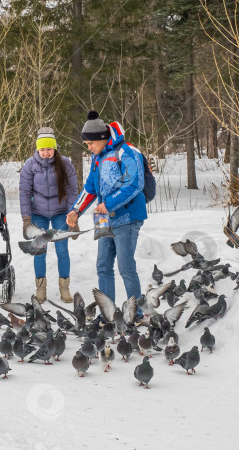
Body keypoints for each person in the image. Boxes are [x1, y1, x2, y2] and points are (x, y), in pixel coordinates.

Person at [66, 111, 147, 312]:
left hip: (127, 217)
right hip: (103, 219)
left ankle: (134, 312)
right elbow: (90, 188)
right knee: (103, 266)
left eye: (91, 143)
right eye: (87, 145)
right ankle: (108, 312)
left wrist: (109, 204)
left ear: (102, 138)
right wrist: (76, 210)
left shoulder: (127, 151)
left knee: (126, 268)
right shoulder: (97, 158)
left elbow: (135, 183)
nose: (89, 148)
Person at [19, 128, 79, 303]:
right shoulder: (30, 165)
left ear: (55, 148)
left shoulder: (65, 164)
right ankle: (40, 288)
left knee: (62, 250)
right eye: (42, 149)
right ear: (37, 149)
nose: (46, 153)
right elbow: (24, 192)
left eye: (49, 149)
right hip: (39, 213)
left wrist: (74, 216)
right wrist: (26, 219)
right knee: (40, 250)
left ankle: (64, 288)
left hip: (61, 212)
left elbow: (72, 190)